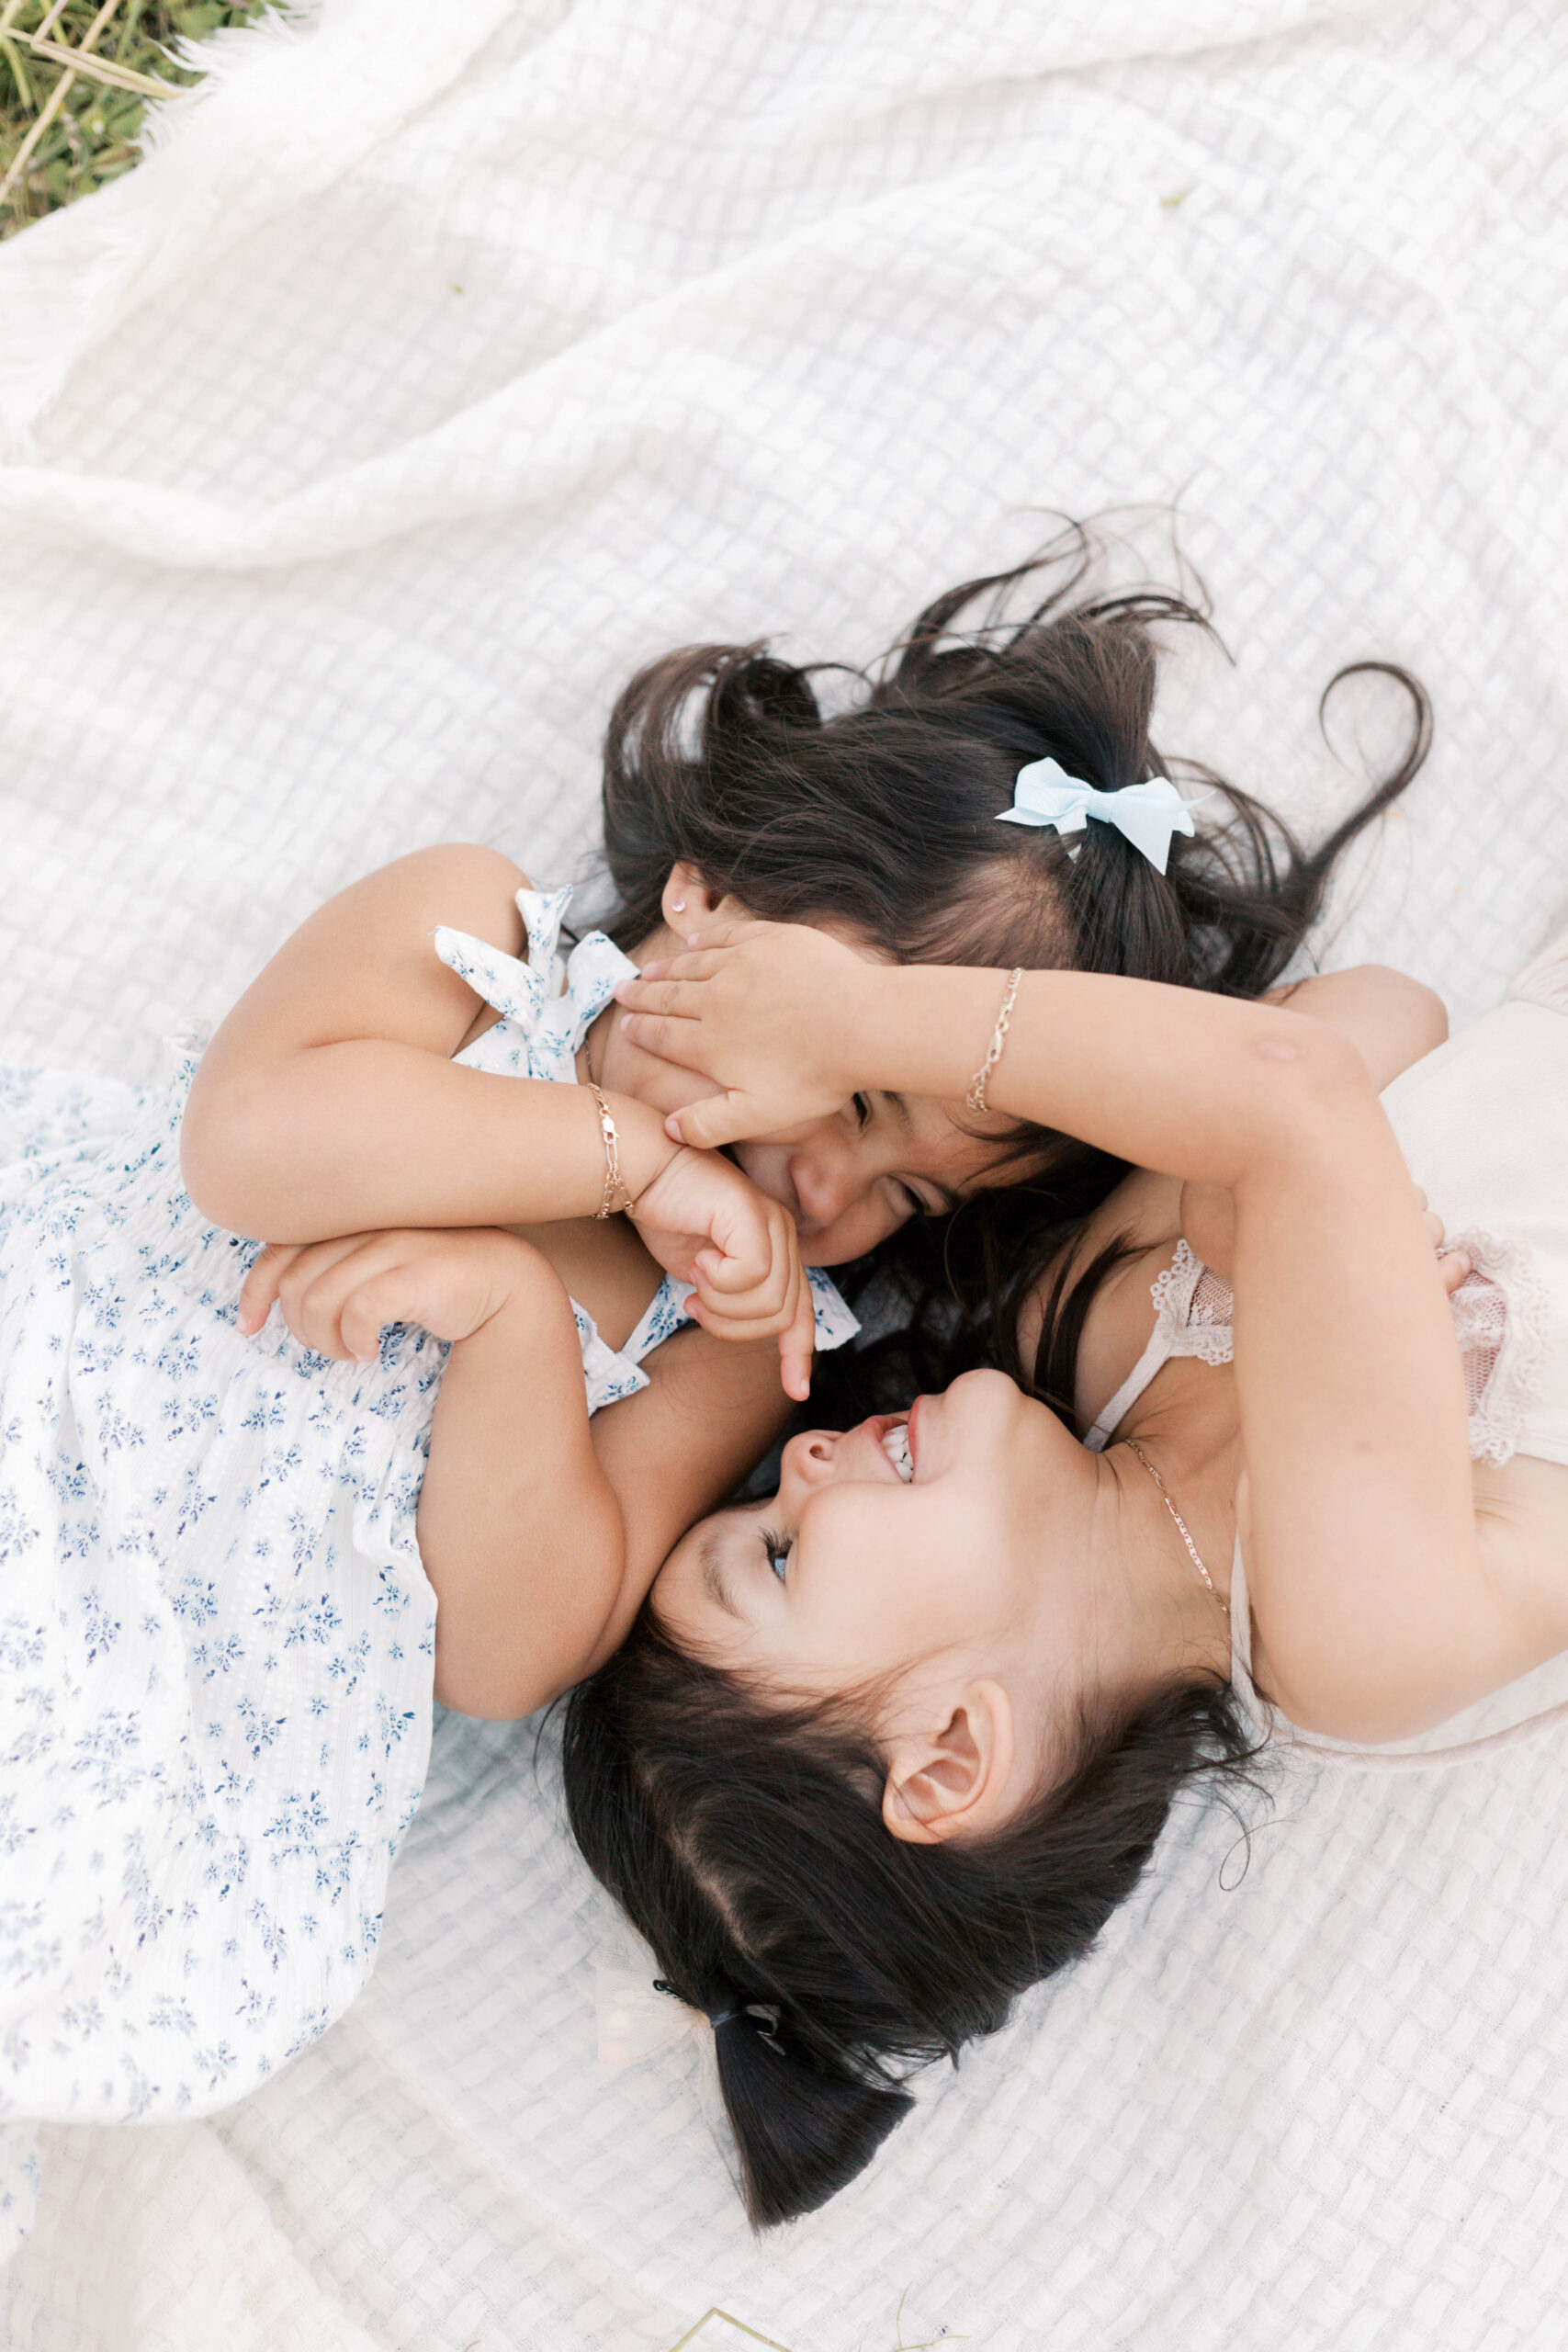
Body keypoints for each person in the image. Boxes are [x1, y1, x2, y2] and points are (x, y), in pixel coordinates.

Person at [0, 539, 1419, 2166]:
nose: (831, 1195)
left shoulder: (743, 1331)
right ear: (710, 896)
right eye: (857, 1095)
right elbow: (249, 1145)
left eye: (907, 1197)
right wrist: (624, 1160)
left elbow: (507, 1651)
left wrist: (514, 1329)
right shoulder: (475, 954)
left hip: (172, 1688)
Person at [563, 892, 1568, 2230]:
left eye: (758, 1502)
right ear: (950, 1755)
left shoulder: (1089, 1325)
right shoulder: (1350, 1644)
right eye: (785, 1558)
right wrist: (859, 1024)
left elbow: (1387, 1011)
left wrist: (1273, 1204)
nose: (798, 1463)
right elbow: (1295, 1091)